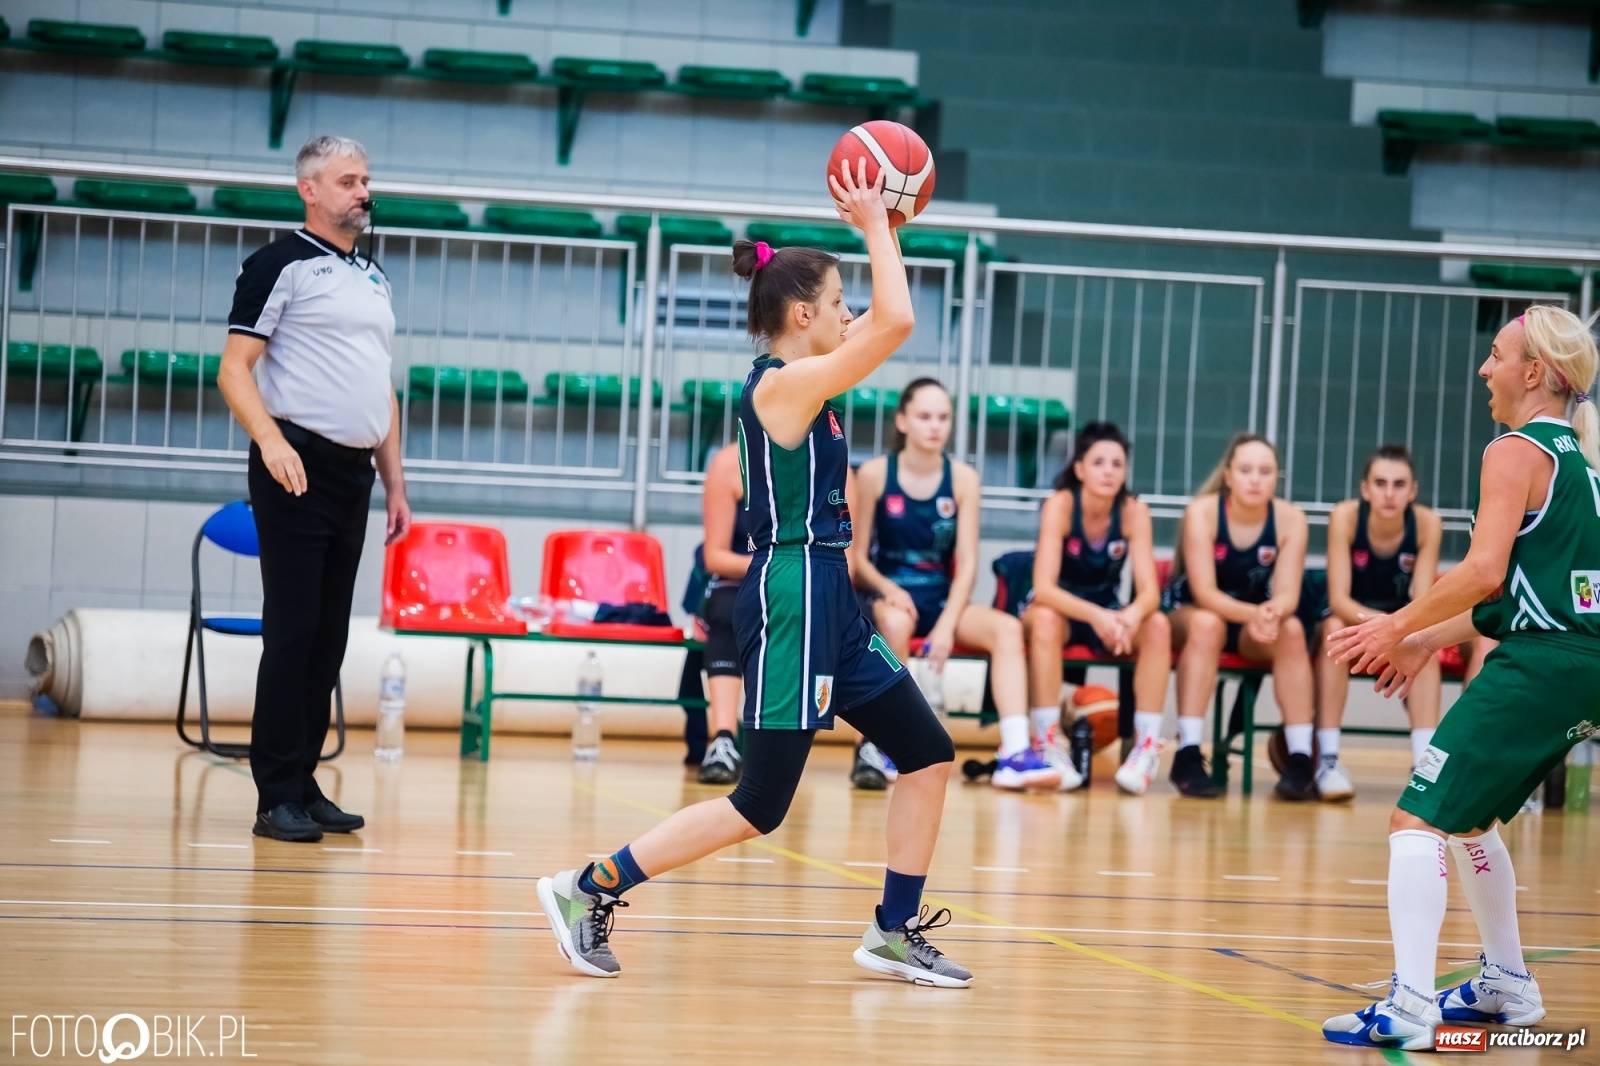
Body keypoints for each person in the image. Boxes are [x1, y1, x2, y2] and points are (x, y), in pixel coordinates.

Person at [538, 159, 970, 987]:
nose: (853, 318)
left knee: (926, 753)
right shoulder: (782, 388)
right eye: (839, 306)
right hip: (793, 597)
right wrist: (878, 226)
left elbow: (886, 314)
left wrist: (885, 235)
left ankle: (892, 928)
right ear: (803, 314)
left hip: (831, 598)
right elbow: (899, 324)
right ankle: (584, 887)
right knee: (759, 806)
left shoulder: (809, 376)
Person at [1322, 306, 1599, 1050]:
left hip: (1539, 670)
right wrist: (1422, 645)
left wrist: (1395, 626)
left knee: (1414, 819)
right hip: (1581, 671)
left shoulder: (1512, 451)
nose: (1485, 369)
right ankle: (1507, 982)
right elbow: (1517, 598)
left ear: (1534, 373)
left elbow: (1480, 573)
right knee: (1471, 820)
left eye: (1497, 355)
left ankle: (1411, 1005)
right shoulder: (1585, 472)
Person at [219, 135, 410, 843]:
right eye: (348, 180)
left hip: (352, 471)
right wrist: (270, 442)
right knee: (293, 629)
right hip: (293, 459)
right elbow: (235, 369)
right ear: (310, 189)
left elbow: (378, 387)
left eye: (366, 178)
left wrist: (394, 482)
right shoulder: (279, 265)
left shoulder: (373, 275)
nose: (363, 191)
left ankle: (304, 780)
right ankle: (274, 794)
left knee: (328, 635)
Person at [850, 379, 1062, 792]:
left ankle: (1016, 753)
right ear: (903, 421)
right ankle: (894, 744)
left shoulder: (963, 478)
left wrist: (947, 624)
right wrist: (889, 588)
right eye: (925, 417)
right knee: (894, 625)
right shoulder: (874, 474)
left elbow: (967, 563)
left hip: (944, 597)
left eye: (943, 418)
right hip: (893, 594)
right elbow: (857, 558)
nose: (935, 426)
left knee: (1008, 629)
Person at [1164, 434, 1316, 800]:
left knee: (1292, 630)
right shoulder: (1202, 511)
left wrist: (1272, 613)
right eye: (1246, 470)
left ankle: (1299, 758)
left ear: (1276, 478)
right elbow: (1205, 593)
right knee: (1207, 624)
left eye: (1264, 472)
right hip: (1193, 615)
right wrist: (1257, 613)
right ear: (1229, 476)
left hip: (1252, 625)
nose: (1254, 479)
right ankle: (1186, 753)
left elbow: (1288, 595)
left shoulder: (1291, 519)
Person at [1023, 421, 1171, 795]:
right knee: (1043, 620)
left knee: (1157, 626)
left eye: (1117, 464)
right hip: (1065, 607)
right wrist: (1099, 616)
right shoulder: (1060, 505)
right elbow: (1043, 588)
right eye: (1099, 462)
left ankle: (1146, 747)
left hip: (1107, 608)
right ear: (1079, 468)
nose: (1109, 471)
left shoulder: (1135, 511)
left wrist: (1130, 616)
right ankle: (1047, 741)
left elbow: (1150, 592)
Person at [1310, 445, 1443, 800]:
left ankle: (1424, 767)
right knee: (1333, 630)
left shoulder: (1428, 524)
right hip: (1353, 619)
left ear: (1412, 491)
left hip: (1399, 623)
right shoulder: (1346, 517)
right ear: (1365, 489)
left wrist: (1398, 628)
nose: (1389, 493)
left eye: (1399, 484)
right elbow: (1338, 598)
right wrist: (1383, 626)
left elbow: (1423, 600)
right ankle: (1328, 759)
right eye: (1380, 483)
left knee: (1423, 641)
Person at [692, 442, 751, 785]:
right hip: (743, 578)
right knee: (728, 609)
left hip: (805, 581)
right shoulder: (729, 463)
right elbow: (715, 557)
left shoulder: (829, 458)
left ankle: (870, 748)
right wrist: (772, 567)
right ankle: (724, 739)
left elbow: (845, 561)